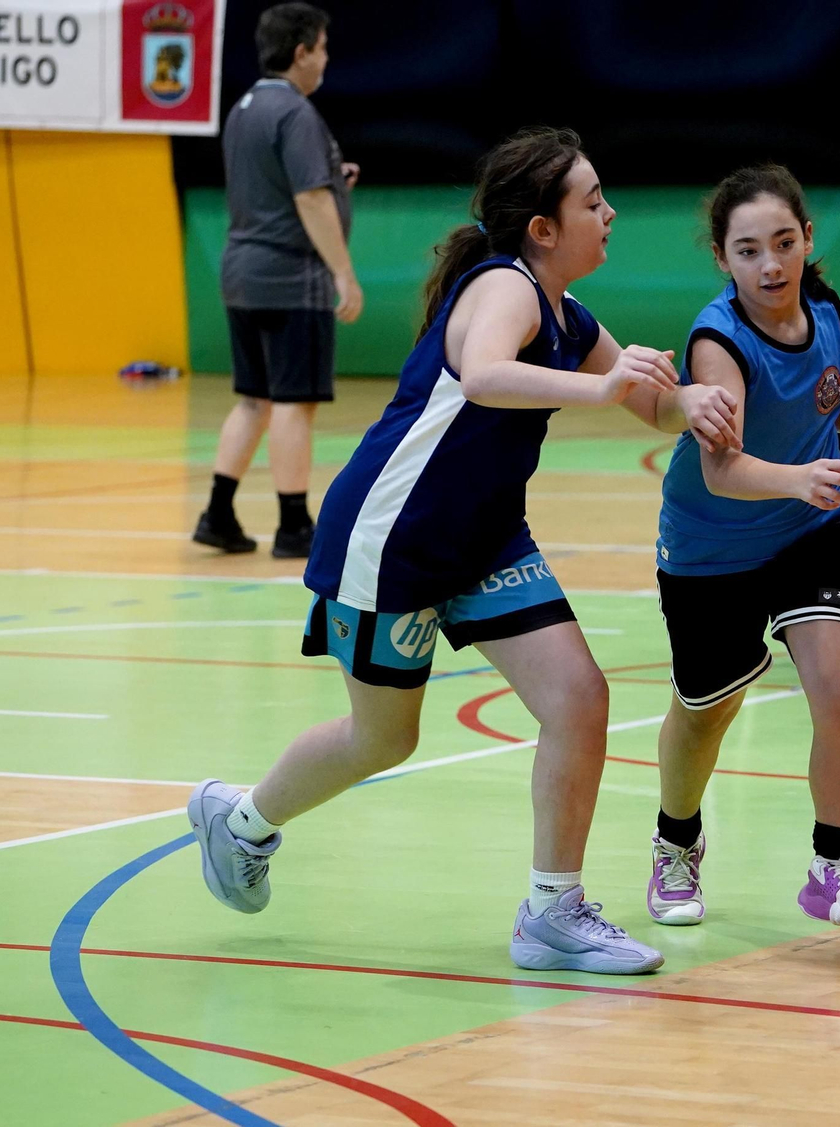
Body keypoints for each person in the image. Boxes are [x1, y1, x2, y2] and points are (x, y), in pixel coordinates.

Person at [186, 128, 739, 976]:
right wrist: (601, 385)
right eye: (592, 201)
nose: (610, 212)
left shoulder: (568, 313)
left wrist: (692, 399)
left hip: (483, 540)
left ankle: (552, 912)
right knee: (382, 738)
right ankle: (241, 820)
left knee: (579, 697)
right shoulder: (505, 287)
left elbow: (644, 406)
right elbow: (484, 373)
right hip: (393, 537)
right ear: (542, 229)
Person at [645, 165, 840, 932]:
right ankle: (676, 841)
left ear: (807, 239)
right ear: (724, 257)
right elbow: (723, 471)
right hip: (713, 543)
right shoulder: (717, 340)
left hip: (812, 528)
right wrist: (799, 477)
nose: (771, 265)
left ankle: (837, 863)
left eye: (784, 243)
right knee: (707, 711)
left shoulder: (824, 305)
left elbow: (836, 395)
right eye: (750, 250)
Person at [193, 3, 363, 559]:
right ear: (301, 52)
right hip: (291, 276)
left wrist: (333, 184)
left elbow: (286, 185)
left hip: (241, 271)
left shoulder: (244, 108)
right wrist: (343, 272)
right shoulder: (296, 113)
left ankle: (218, 513)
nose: (327, 60)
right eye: (323, 48)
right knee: (294, 402)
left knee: (254, 400)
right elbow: (309, 198)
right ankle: (294, 527)